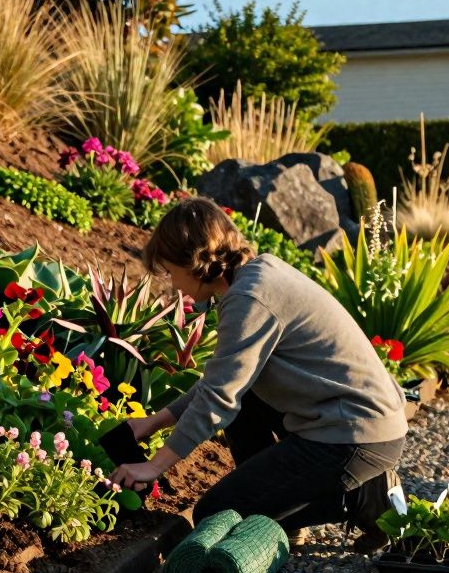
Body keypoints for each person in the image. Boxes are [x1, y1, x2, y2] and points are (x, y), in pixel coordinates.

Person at [111, 197, 406, 551]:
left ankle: (360, 499)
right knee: (246, 400)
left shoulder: (251, 299)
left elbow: (218, 399)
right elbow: (224, 383)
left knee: (215, 513)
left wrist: (154, 466)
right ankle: (284, 510)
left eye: (172, 272)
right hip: (348, 421)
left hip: (356, 435)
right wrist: (151, 423)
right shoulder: (258, 275)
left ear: (196, 262)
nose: (174, 286)